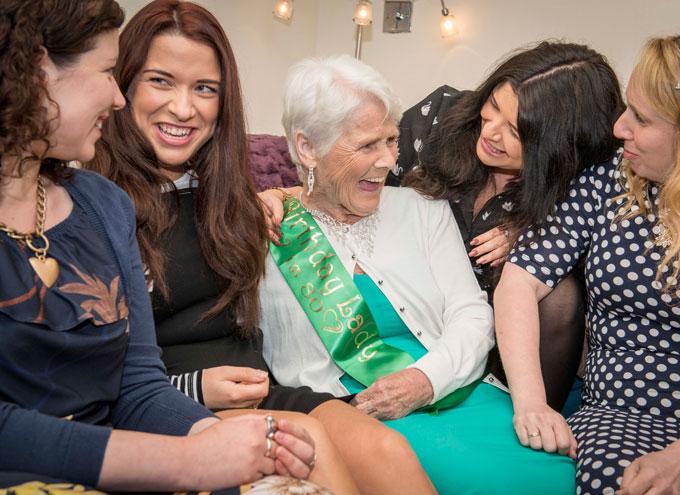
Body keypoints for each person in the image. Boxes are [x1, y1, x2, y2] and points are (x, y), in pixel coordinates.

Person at [86, 1, 432, 494]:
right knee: (308, 447)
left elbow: (316, 197)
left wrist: (271, 199)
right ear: (121, 86)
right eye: (160, 81)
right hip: (168, 403)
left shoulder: (228, 195)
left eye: (204, 89)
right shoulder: (95, 204)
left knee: (387, 451)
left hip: (265, 388)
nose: (184, 108)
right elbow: (85, 369)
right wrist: (193, 388)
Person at [0, 1, 325, 493]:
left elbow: (138, 388)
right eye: (110, 72)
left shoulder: (103, 204)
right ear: (40, 71)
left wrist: (232, 442)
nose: (117, 96)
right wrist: (186, 460)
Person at [259, 54, 577, 494]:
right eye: (368, 145)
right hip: (356, 412)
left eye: (392, 140)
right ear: (308, 148)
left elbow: (472, 315)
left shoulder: (421, 209)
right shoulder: (264, 227)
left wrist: (423, 382)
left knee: (554, 476)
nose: (388, 161)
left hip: (451, 388)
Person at [494, 25, 680, 494]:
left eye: (642, 119)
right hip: (620, 419)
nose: (618, 128)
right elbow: (520, 280)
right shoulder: (609, 181)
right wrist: (531, 402)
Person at [397, 42, 625, 411]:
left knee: (559, 292)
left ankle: (530, 421)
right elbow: (359, 176)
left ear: (560, 149)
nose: (491, 132)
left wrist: (530, 236)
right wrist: (291, 193)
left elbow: (598, 277)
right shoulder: (439, 117)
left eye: (518, 132)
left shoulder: (582, 184)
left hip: (504, 354)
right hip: (410, 311)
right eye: (494, 107)